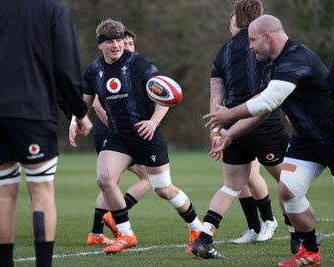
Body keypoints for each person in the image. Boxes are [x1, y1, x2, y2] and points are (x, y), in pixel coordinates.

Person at [0, 0, 92, 266]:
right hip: (33, 112)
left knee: (4, 194)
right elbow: (65, 69)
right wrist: (79, 111)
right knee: (41, 190)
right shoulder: (52, 10)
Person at [203, 14, 332, 267]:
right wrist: (229, 133)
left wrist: (228, 114)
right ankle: (309, 251)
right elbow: (263, 110)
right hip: (306, 140)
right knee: (288, 190)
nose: (248, 46)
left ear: (268, 36)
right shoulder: (272, 64)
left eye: (252, 40)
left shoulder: (296, 58)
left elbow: (268, 101)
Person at [69, 18, 203, 255]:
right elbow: (84, 102)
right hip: (118, 135)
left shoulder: (139, 63)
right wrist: (74, 122)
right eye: (110, 41)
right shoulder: (94, 71)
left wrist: (153, 121)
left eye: (119, 40)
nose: (116, 45)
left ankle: (196, 230)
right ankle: (126, 233)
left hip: (146, 134)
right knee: (105, 178)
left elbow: (165, 94)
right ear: (100, 44)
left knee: (164, 189)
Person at [191, 0, 290, 259]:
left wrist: (216, 132)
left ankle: (205, 238)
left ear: (236, 19)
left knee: (231, 186)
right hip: (265, 125)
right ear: (261, 17)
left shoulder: (222, 51)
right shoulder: (270, 44)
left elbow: (216, 97)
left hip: (232, 127)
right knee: (289, 183)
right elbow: (281, 86)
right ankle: (300, 237)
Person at [86, 28, 153, 247]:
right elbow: (95, 102)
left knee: (110, 181)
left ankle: (96, 231)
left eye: (128, 43)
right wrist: (117, 127)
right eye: (125, 42)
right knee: (148, 177)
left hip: (118, 132)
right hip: (112, 132)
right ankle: (116, 217)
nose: (124, 46)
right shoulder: (101, 69)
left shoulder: (131, 67)